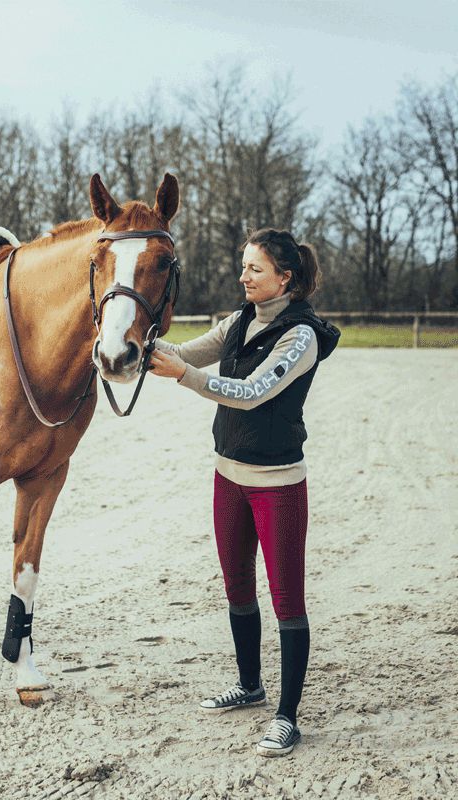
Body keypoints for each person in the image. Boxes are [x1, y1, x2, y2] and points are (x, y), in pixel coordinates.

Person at [149, 228, 340, 757]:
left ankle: (286, 716)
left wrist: (183, 375)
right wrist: (134, 339)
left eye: (255, 269)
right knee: (236, 587)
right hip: (227, 477)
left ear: (286, 276)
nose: (243, 276)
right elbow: (185, 350)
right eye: (244, 266)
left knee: (287, 602)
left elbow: (251, 393)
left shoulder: (300, 336)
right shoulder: (238, 320)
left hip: (278, 486)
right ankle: (251, 686)